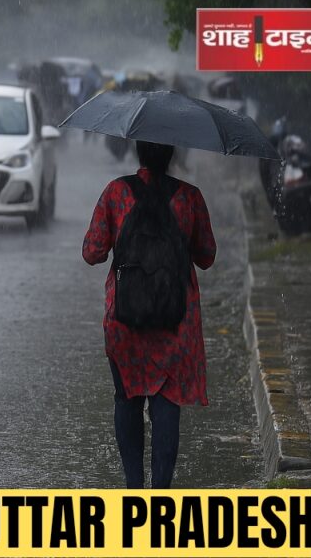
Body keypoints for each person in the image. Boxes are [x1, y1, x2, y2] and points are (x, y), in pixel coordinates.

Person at [82, 140, 216, 488]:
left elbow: (92, 252)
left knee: (127, 397)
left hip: (125, 319)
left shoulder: (116, 193)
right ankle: (161, 493)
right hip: (176, 321)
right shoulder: (189, 198)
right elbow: (206, 255)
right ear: (173, 153)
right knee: (167, 401)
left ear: (137, 151)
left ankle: (133, 487)